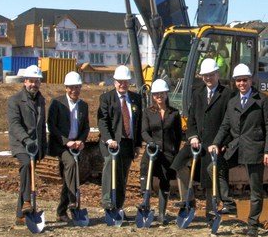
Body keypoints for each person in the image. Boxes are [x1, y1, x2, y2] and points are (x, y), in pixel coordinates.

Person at [208, 63, 268, 237]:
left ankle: (253, 224)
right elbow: (225, 126)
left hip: (254, 148)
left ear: (250, 80)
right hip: (236, 147)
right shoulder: (233, 102)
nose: (241, 83)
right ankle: (229, 203)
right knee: (214, 167)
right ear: (235, 82)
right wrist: (216, 143)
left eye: (244, 80)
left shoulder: (263, 100)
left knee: (255, 188)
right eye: (238, 81)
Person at [170, 58, 233, 224]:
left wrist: (221, 143)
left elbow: (230, 123)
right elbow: (191, 119)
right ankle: (188, 201)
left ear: (218, 74)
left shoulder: (227, 95)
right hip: (197, 142)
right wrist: (193, 136)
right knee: (179, 164)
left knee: (210, 178)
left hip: (215, 145)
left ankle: (211, 214)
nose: (208, 78)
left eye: (211, 75)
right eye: (205, 76)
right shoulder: (197, 93)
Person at [98, 65, 142, 213]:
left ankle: (118, 205)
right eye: (120, 81)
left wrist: (137, 145)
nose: (122, 84)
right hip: (112, 142)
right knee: (110, 166)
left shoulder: (136, 99)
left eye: (125, 81)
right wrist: (109, 139)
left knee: (123, 176)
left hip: (128, 143)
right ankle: (107, 201)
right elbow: (103, 121)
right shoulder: (106, 98)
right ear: (114, 81)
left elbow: (139, 123)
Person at [138, 79, 182, 225]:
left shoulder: (174, 113)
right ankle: (145, 204)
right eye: (156, 94)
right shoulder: (148, 112)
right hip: (152, 151)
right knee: (145, 171)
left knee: (165, 180)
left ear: (166, 94)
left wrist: (174, 151)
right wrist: (150, 142)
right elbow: (144, 131)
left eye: (162, 93)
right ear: (153, 96)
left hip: (168, 152)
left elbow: (178, 135)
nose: (159, 96)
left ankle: (162, 214)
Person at [47, 71, 90, 222]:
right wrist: (67, 142)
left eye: (77, 87)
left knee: (70, 176)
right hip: (61, 145)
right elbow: (52, 126)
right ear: (66, 88)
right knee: (71, 165)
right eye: (71, 87)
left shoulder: (83, 105)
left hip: (75, 145)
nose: (74, 90)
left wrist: (80, 141)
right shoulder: (57, 103)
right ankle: (73, 200)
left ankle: (61, 211)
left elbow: (86, 127)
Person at [7, 65, 47, 226]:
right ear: (25, 81)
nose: (34, 84)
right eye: (31, 81)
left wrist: (43, 145)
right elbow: (14, 124)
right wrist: (26, 140)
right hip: (21, 143)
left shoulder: (41, 100)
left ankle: (21, 215)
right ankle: (27, 201)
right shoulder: (15, 100)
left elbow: (42, 125)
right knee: (25, 166)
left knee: (28, 176)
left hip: (35, 145)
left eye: (37, 81)